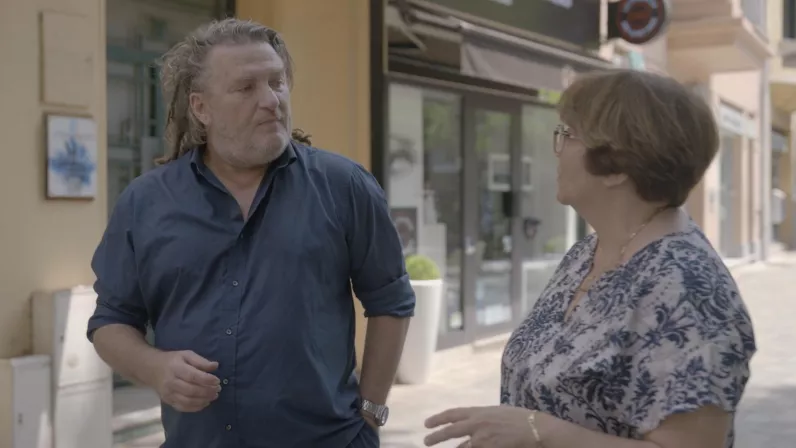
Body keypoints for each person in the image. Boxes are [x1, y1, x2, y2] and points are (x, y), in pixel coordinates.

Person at [87, 18, 415, 448]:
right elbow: (110, 321)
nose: (271, 100)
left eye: (276, 82)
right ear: (201, 108)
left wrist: (370, 415)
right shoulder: (146, 202)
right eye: (246, 88)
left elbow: (390, 300)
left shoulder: (344, 186)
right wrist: (154, 368)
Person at [423, 70, 755, 448]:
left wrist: (539, 431)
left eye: (568, 135)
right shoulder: (586, 254)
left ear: (615, 165)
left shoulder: (688, 286)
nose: (557, 149)